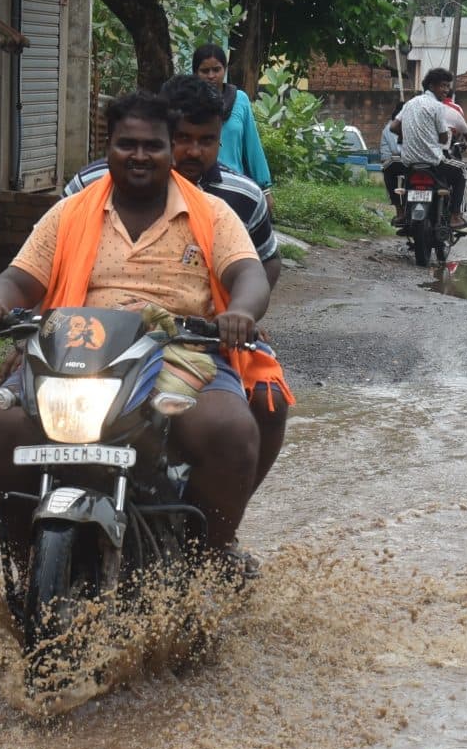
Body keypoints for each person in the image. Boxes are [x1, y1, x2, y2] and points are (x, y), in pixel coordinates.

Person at [0, 91, 284, 572]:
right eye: (126, 144)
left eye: (152, 146)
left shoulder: (211, 213)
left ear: (170, 150)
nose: (139, 155)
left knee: (231, 429)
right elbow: (18, 279)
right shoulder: (68, 212)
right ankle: (19, 553)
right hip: (74, 348)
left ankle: (210, 559)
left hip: (178, 349)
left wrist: (239, 312)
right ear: (108, 147)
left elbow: (250, 274)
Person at [59, 74, 293, 488]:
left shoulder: (239, 197)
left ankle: (223, 517)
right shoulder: (90, 187)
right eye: (182, 137)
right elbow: (53, 259)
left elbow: (264, 264)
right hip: (96, 332)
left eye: (207, 140)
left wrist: (238, 312)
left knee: (266, 401)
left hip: (206, 329)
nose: (193, 150)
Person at [385, 66, 467, 223]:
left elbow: (393, 127)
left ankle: (399, 212)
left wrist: (408, 137)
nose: (446, 90)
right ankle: (455, 216)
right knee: (462, 171)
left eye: (447, 86)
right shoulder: (438, 106)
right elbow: (444, 138)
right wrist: (434, 139)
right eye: (443, 85)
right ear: (431, 86)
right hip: (433, 162)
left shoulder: (410, 103)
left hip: (409, 162)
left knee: (388, 166)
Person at [192, 44, 272, 188]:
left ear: (225, 69)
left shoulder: (240, 99)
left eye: (216, 70)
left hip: (235, 187)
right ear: (195, 73)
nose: (211, 76)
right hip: (198, 186)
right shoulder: (188, 102)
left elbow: (252, 146)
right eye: (205, 71)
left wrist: (265, 188)